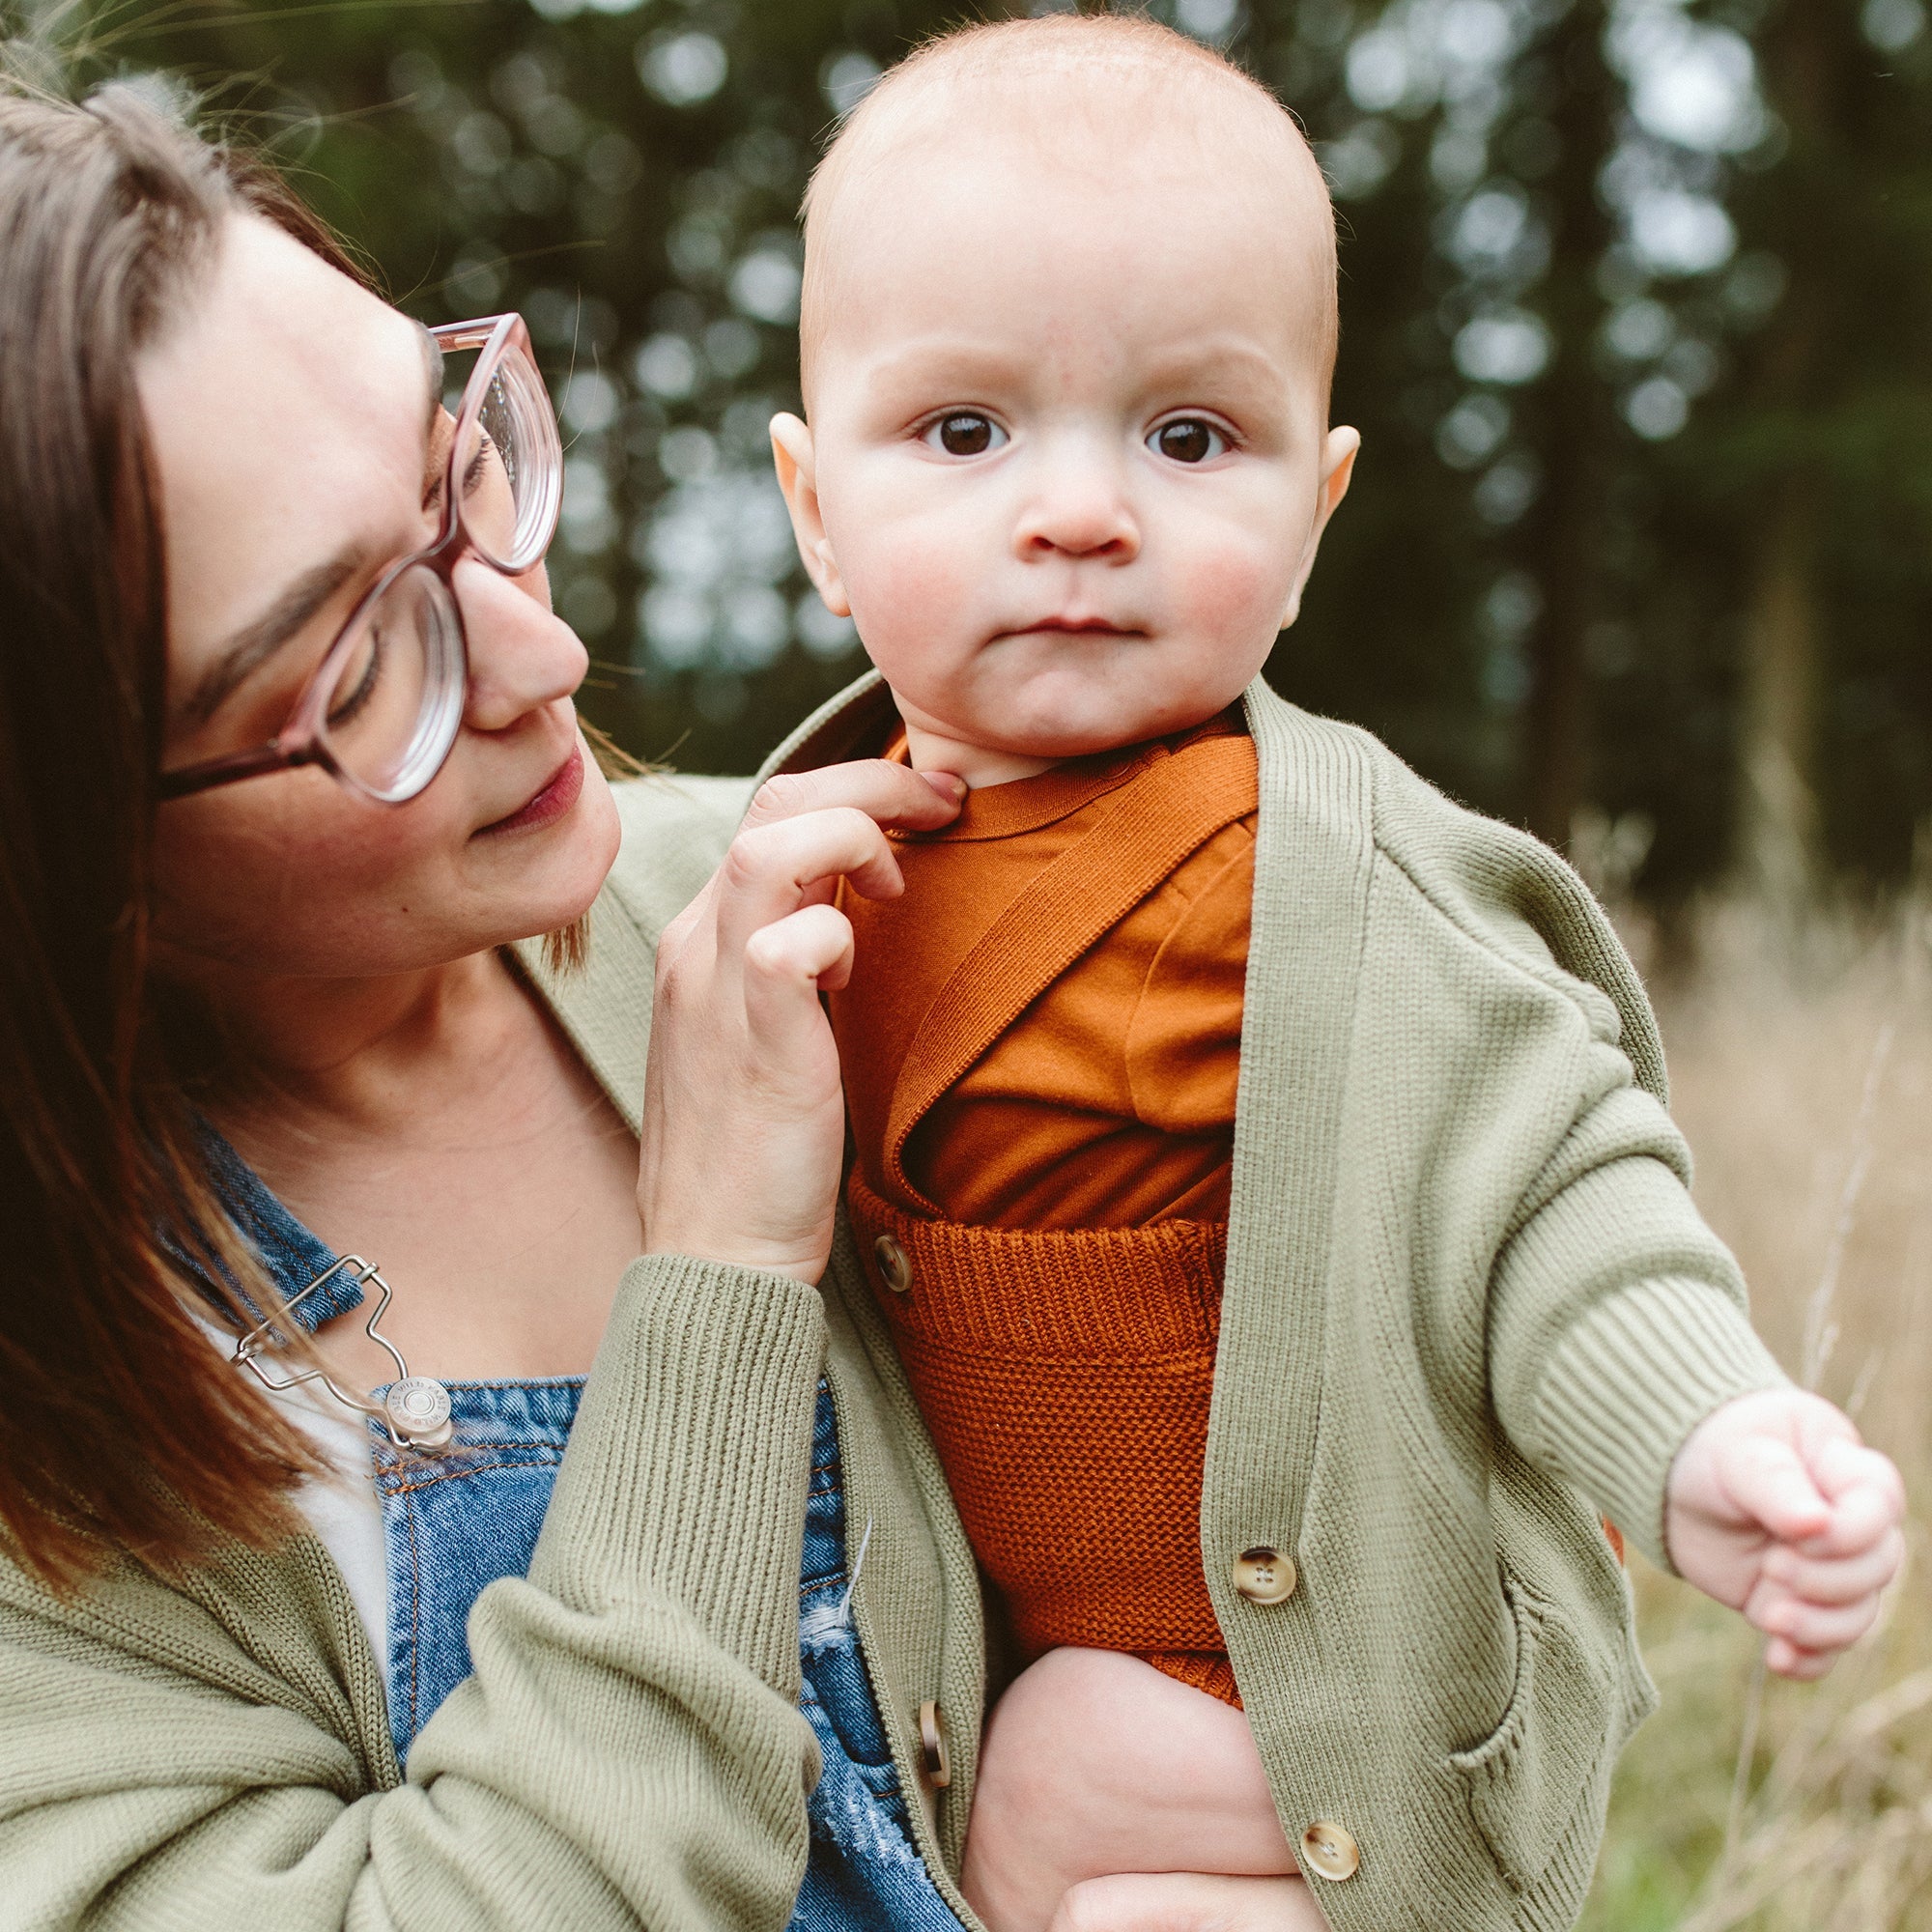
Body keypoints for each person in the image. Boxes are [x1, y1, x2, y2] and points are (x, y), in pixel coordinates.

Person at [763, 16, 1910, 1932]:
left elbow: (1550, 1180)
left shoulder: (1321, 884)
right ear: (813, 514)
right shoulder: (795, 859)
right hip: (1010, 1716)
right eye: (963, 432)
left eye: (1187, 437)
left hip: (1322, 1712)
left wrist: (1706, 1437)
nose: (1075, 509)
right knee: (1022, 1811)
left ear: (1310, 517)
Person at [0, 73, 1088, 1932]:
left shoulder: (823, 894)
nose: (545, 650)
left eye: (463, 468)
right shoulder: (52, 1447)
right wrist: (729, 1265)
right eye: (356, 661)